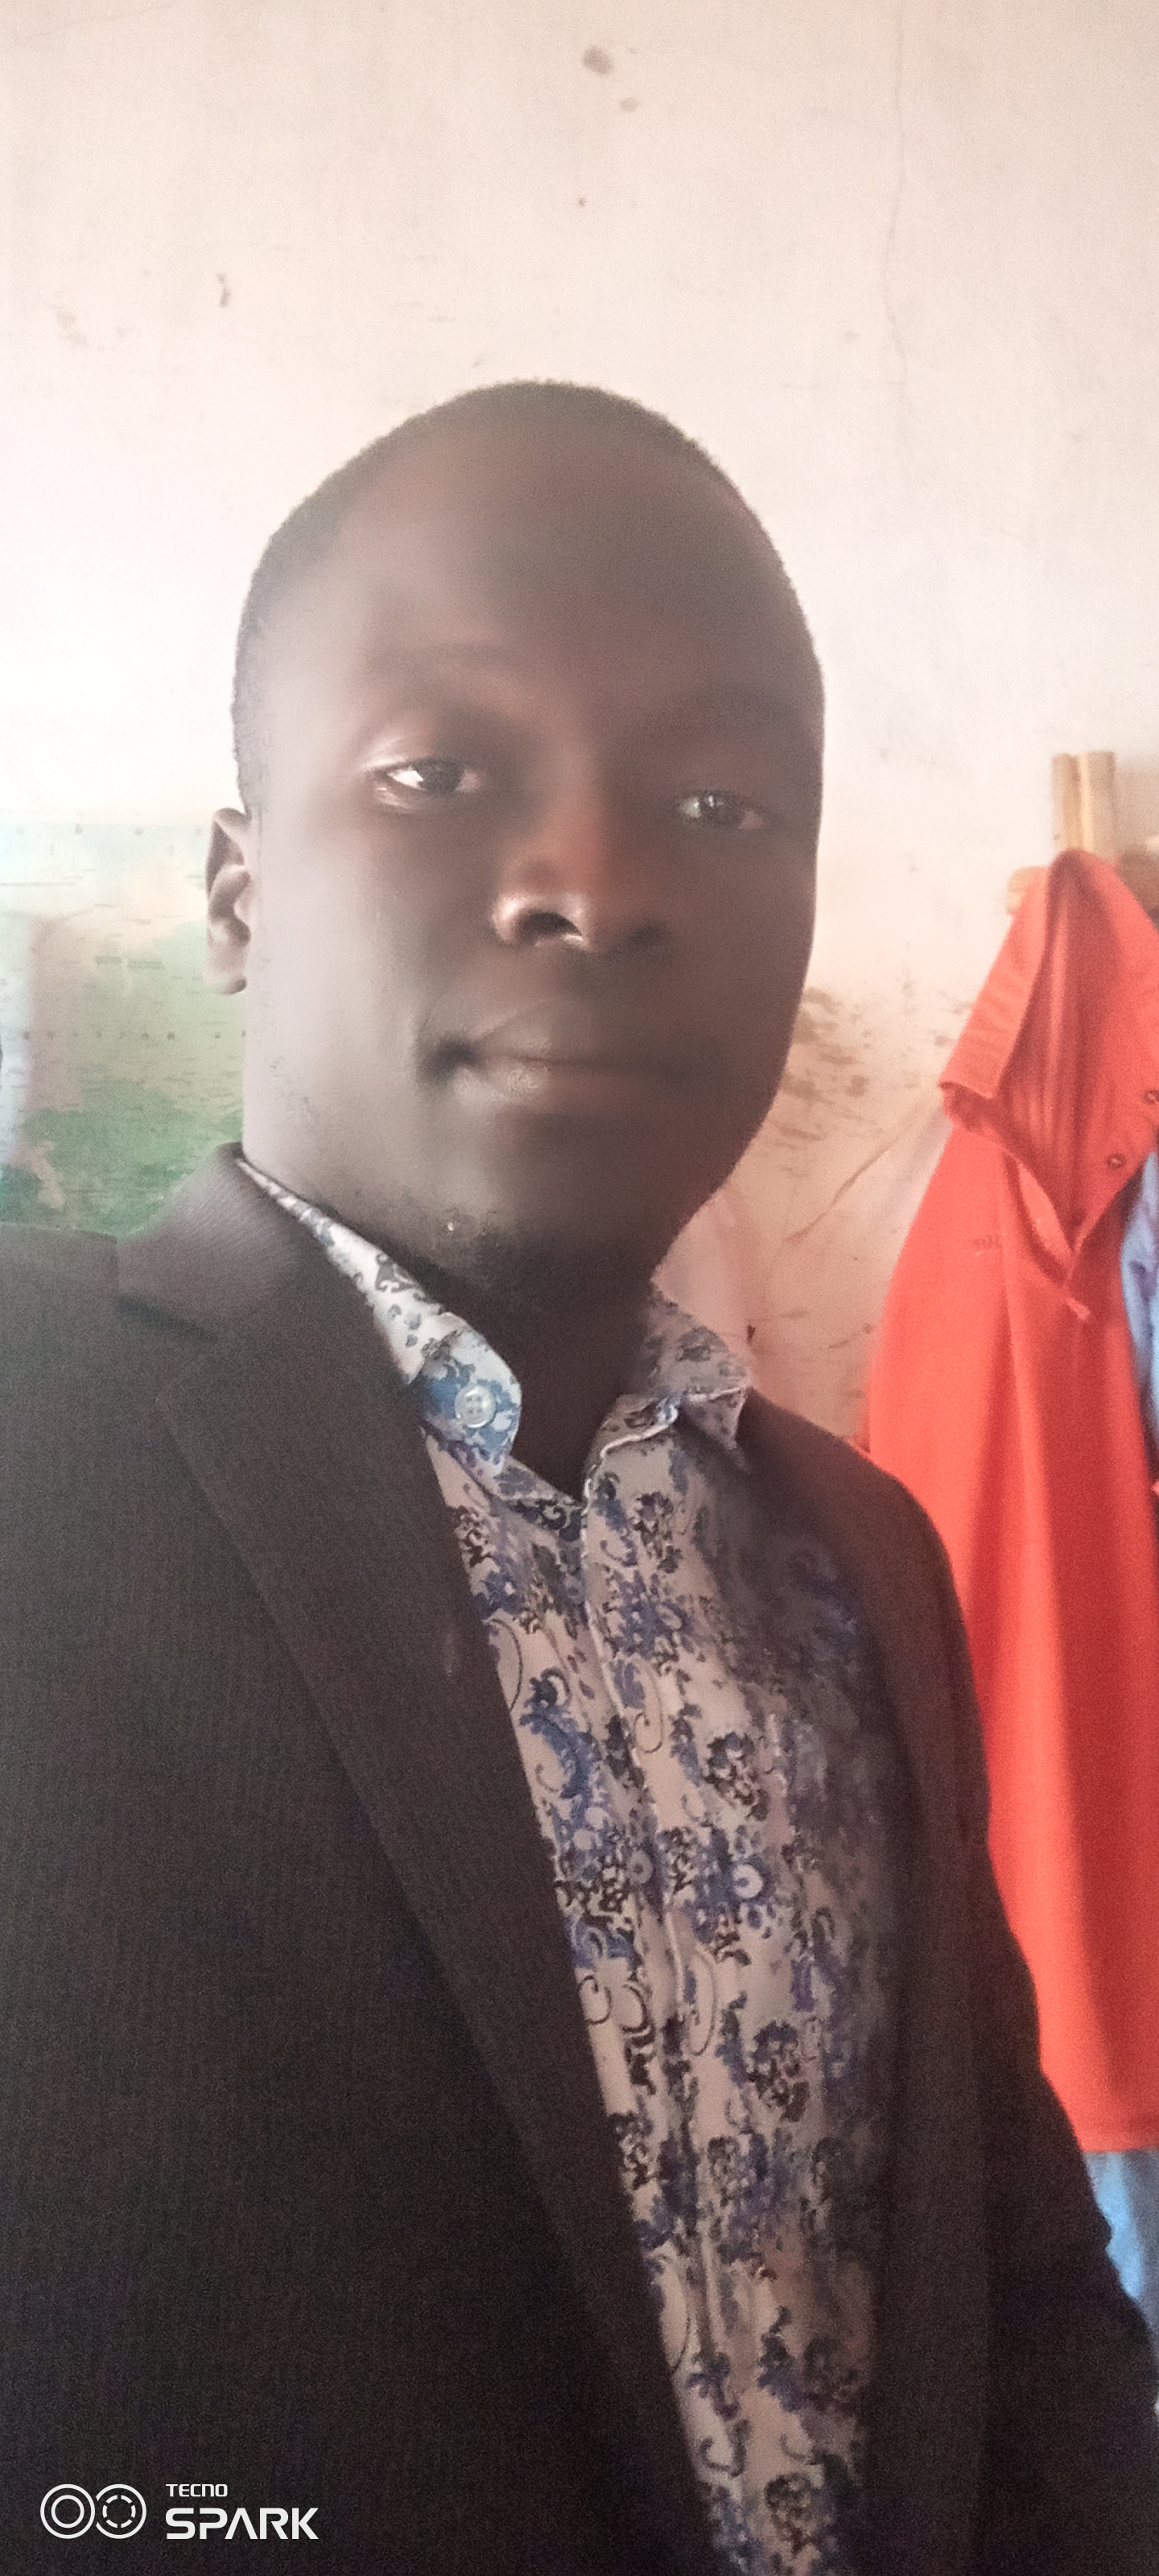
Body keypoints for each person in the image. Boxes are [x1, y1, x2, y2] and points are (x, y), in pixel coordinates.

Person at [0, 384, 1155, 2576]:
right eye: (441, 772)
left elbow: (1019, 2298)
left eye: (723, 801)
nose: (598, 886)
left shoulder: (859, 1558)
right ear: (239, 888)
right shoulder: (35, 1448)